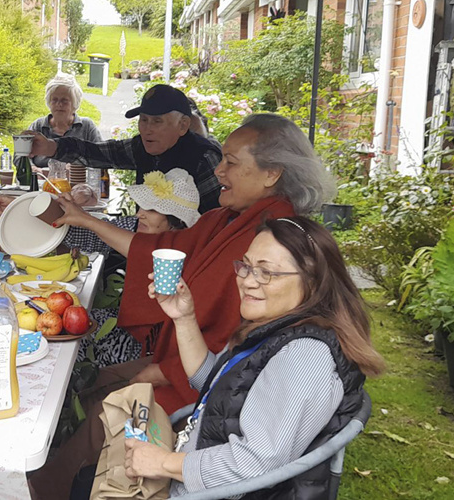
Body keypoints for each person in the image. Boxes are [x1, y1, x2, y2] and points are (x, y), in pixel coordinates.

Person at [30, 114, 335, 499]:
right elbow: (157, 252)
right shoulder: (229, 218)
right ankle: (65, 471)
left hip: (210, 399)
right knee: (95, 382)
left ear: (271, 173)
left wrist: (166, 373)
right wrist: (83, 220)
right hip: (202, 367)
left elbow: (241, 345)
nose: (219, 170)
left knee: (105, 409)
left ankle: (47, 487)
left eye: (231, 163)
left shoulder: (273, 240)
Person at [96, 217, 384, 498]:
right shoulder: (277, 328)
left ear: (312, 280)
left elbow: (254, 461)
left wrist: (162, 463)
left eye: (266, 272)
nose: (247, 281)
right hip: (195, 468)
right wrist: (183, 316)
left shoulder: (304, 357)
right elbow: (210, 384)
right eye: (245, 266)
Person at [67, 168, 201, 369]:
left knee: (73, 343)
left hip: (150, 346)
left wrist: (86, 219)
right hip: (124, 323)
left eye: (152, 210)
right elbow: (89, 234)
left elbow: (143, 251)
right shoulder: (136, 227)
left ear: (177, 222)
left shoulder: (180, 254)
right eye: (141, 207)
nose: (140, 214)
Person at [29, 84, 222, 213]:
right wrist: (50, 146)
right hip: (146, 241)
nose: (147, 129)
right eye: (143, 120)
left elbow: (215, 221)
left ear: (183, 125)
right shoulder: (141, 147)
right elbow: (97, 152)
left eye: (157, 121)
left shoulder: (203, 157)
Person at [24, 73, 102, 169]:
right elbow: (20, 155)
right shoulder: (38, 126)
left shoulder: (86, 126)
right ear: (49, 102)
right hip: (42, 181)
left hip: (77, 182)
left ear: (74, 103)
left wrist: (78, 165)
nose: (59, 104)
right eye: (54, 100)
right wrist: (31, 167)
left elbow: (101, 157)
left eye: (64, 100)